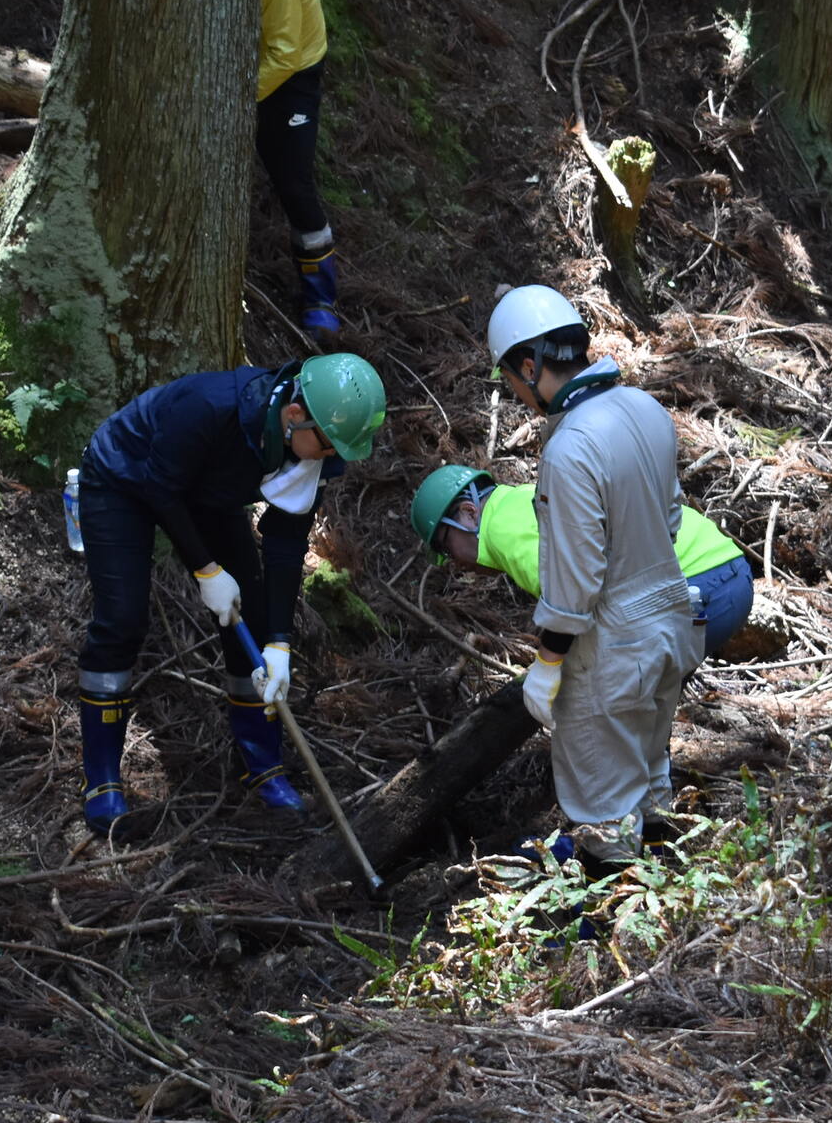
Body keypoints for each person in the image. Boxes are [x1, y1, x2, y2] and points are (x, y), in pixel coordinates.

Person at [72, 353, 387, 834]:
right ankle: (102, 779)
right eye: (327, 447)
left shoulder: (313, 447)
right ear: (294, 415)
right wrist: (206, 570)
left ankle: (261, 764)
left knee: (255, 618)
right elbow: (161, 488)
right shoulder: (209, 407)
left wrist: (279, 640)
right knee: (122, 619)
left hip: (206, 493)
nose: (331, 458)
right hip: (126, 479)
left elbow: (284, 544)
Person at [486, 286, 699, 864]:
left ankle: (605, 945)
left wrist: (549, 664)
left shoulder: (571, 446)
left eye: (511, 379)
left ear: (529, 366)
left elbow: (578, 578)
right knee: (652, 783)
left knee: (602, 807)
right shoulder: (644, 410)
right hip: (671, 629)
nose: (514, 392)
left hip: (611, 652)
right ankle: (670, 917)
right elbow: (672, 516)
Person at [409, 465, 754, 660]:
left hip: (697, 584)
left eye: (445, 547)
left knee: (615, 705)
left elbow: (570, 600)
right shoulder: (517, 501)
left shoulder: (501, 529)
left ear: (469, 515)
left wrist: (548, 666)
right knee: (642, 706)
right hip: (724, 569)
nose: (453, 563)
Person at [259, 0, 339, 333]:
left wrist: (238, 100)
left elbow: (286, 54)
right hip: (263, 65)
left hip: (294, 78)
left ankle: (320, 296)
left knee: (294, 182)